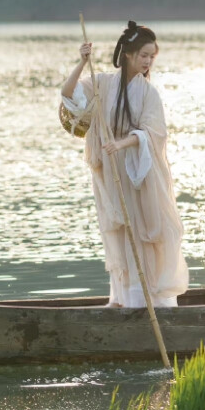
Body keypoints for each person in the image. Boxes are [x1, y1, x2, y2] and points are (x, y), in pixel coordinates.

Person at [60, 21, 189, 309]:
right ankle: (123, 297)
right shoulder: (103, 83)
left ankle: (146, 300)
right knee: (117, 231)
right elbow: (69, 95)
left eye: (151, 57)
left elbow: (153, 133)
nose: (147, 62)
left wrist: (121, 144)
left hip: (137, 173)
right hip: (109, 172)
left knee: (140, 231)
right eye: (143, 55)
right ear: (128, 54)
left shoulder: (148, 93)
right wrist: (82, 63)